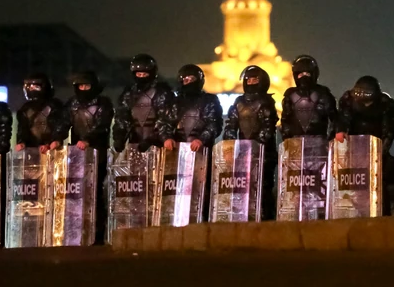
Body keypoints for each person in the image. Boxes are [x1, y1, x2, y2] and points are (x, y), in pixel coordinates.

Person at [158, 64, 223, 221]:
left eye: (191, 79)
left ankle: (202, 220)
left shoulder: (209, 100)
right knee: (176, 188)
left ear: (199, 80)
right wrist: (167, 138)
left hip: (201, 152)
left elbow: (214, 123)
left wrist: (202, 139)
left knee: (201, 189)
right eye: (185, 79)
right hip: (177, 154)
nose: (188, 82)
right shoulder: (174, 102)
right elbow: (163, 123)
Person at [335, 76, 394, 214]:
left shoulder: (386, 104)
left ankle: (382, 214)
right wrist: (341, 132)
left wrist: (381, 152)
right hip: (353, 149)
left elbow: (388, 130)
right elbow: (343, 118)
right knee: (353, 185)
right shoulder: (348, 100)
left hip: (376, 147)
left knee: (379, 183)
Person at [63, 71, 114, 244]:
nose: (84, 89)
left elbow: (103, 125)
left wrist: (88, 140)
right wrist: (55, 139)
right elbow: (63, 123)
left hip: (97, 152)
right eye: (81, 86)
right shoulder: (72, 104)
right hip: (76, 155)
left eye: (87, 86)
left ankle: (98, 234)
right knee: (77, 193)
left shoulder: (103, 103)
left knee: (96, 192)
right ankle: (77, 231)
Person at [223, 65, 279, 220]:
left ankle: (267, 218)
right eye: (248, 79)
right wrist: (229, 145)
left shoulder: (266, 102)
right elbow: (231, 124)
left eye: (255, 79)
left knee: (264, 187)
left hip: (264, 154)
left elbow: (268, 127)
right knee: (242, 187)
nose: (251, 82)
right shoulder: (239, 102)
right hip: (242, 154)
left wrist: (257, 145)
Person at [113, 53, 174, 153]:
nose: (142, 77)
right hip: (134, 143)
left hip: (158, 145)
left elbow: (165, 120)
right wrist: (119, 138)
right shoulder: (129, 94)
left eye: (145, 74)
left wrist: (152, 139)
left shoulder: (162, 93)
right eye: (139, 74)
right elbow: (122, 117)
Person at [280, 55, 337, 141]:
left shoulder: (323, 94)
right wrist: (287, 138)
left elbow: (335, 119)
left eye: (307, 74)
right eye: (301, 74)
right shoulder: (290, 95)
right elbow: (285, 121)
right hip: (296, 143)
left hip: (319, 142)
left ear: (314, 74)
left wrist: (331, 138)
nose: (304, 77)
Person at [14, 73, 65, 154]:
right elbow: (22, 129)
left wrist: (54, 141)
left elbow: (60, 127)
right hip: (31, 151)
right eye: (30, 87)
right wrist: (21, 142)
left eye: (36, 87)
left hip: (52, 150)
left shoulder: (55, 106)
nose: (32, 89)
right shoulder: (25, 109)